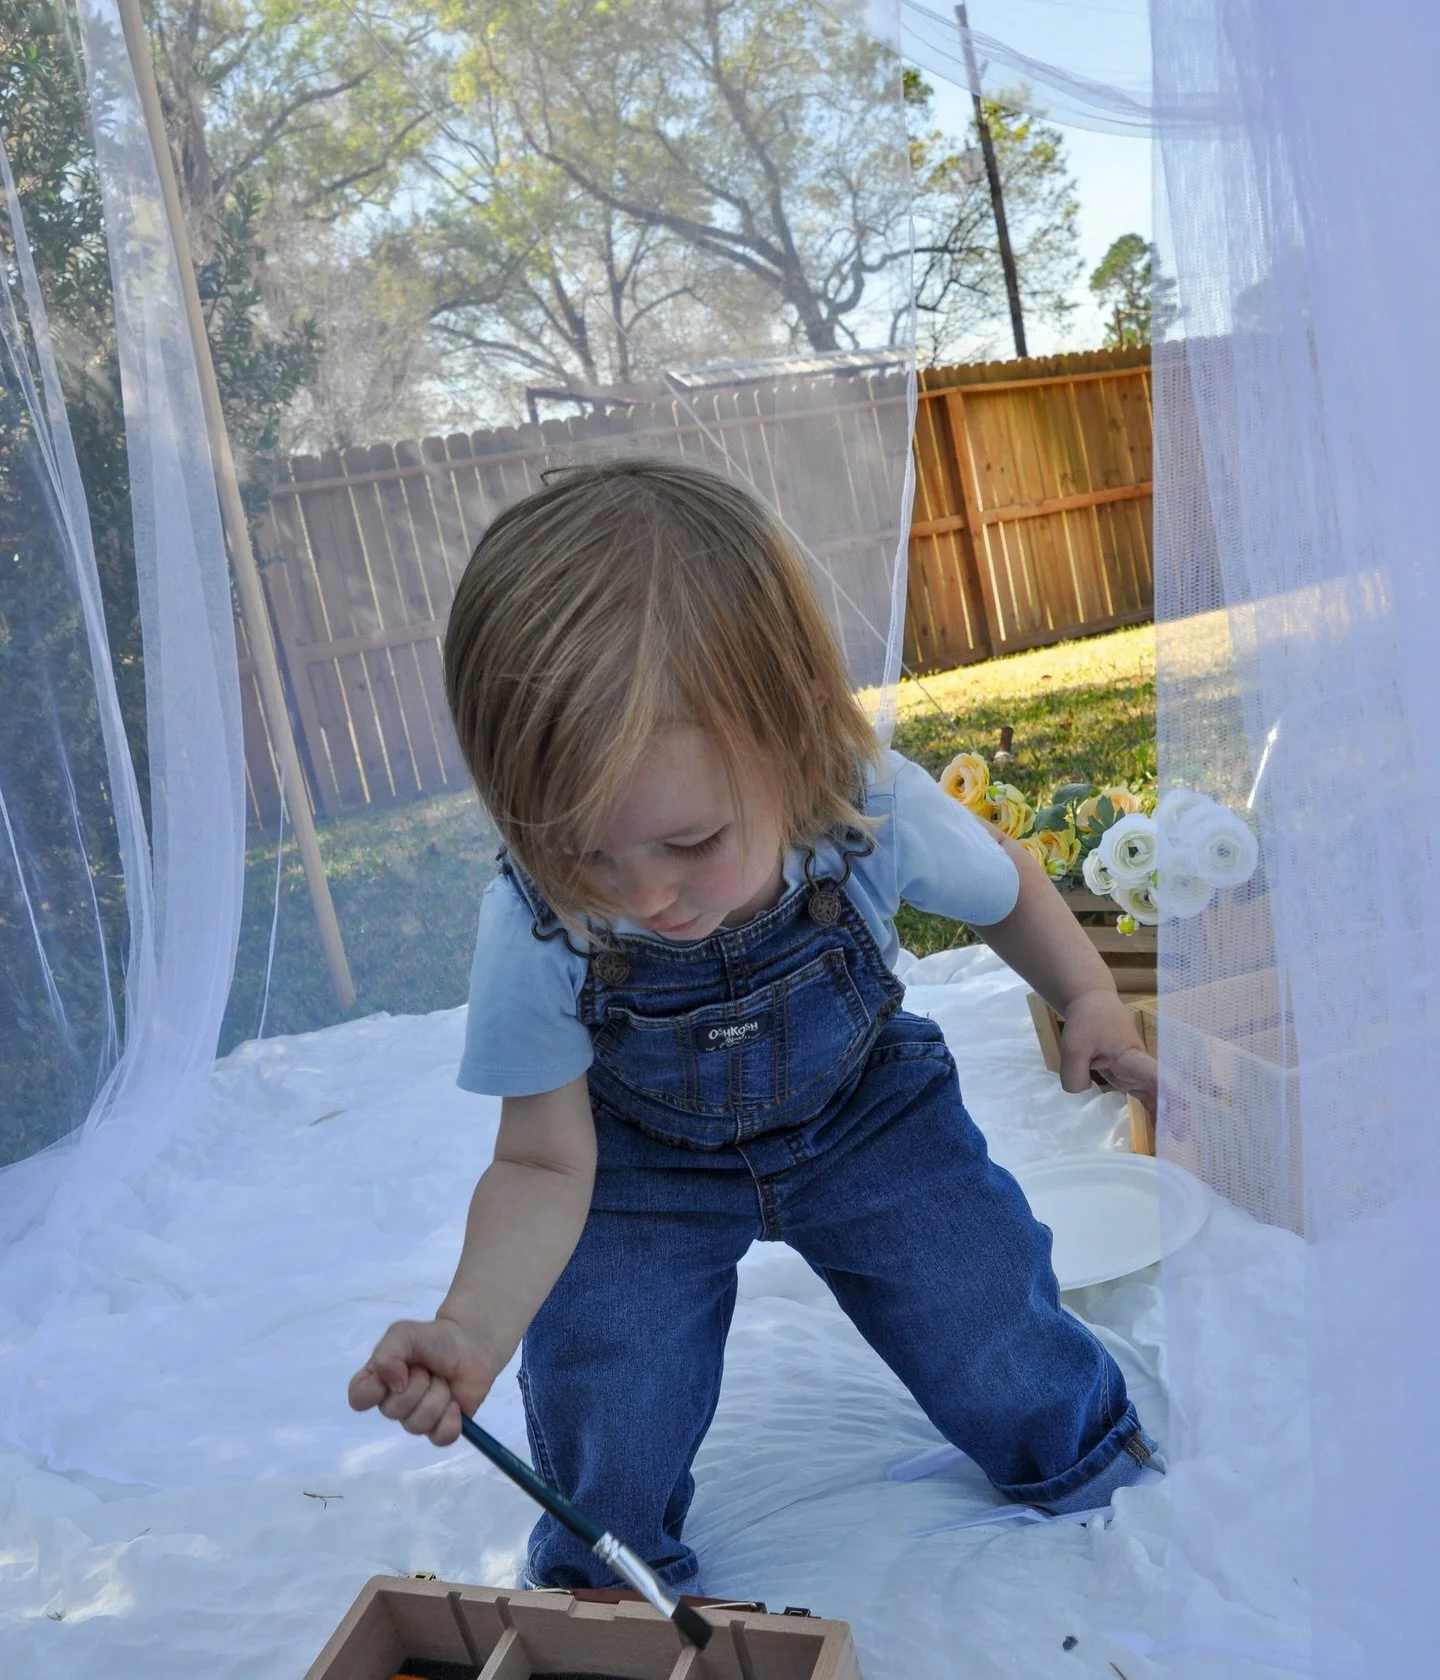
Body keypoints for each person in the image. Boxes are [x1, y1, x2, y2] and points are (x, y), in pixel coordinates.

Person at [349, 458, 1160, 1591]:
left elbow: (1009, 884)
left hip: (864, 1107)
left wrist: (1085, 996)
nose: (643, 898)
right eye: (584, 851)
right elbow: (539, 1162)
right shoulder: (535, 926)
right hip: (640, 1159)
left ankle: (1080, 1458)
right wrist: (474, 1329)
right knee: (605, 1371)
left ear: (795, 738)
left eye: (690, 844)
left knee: (974, 1283)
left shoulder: (863, 805)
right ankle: (611, 1574)